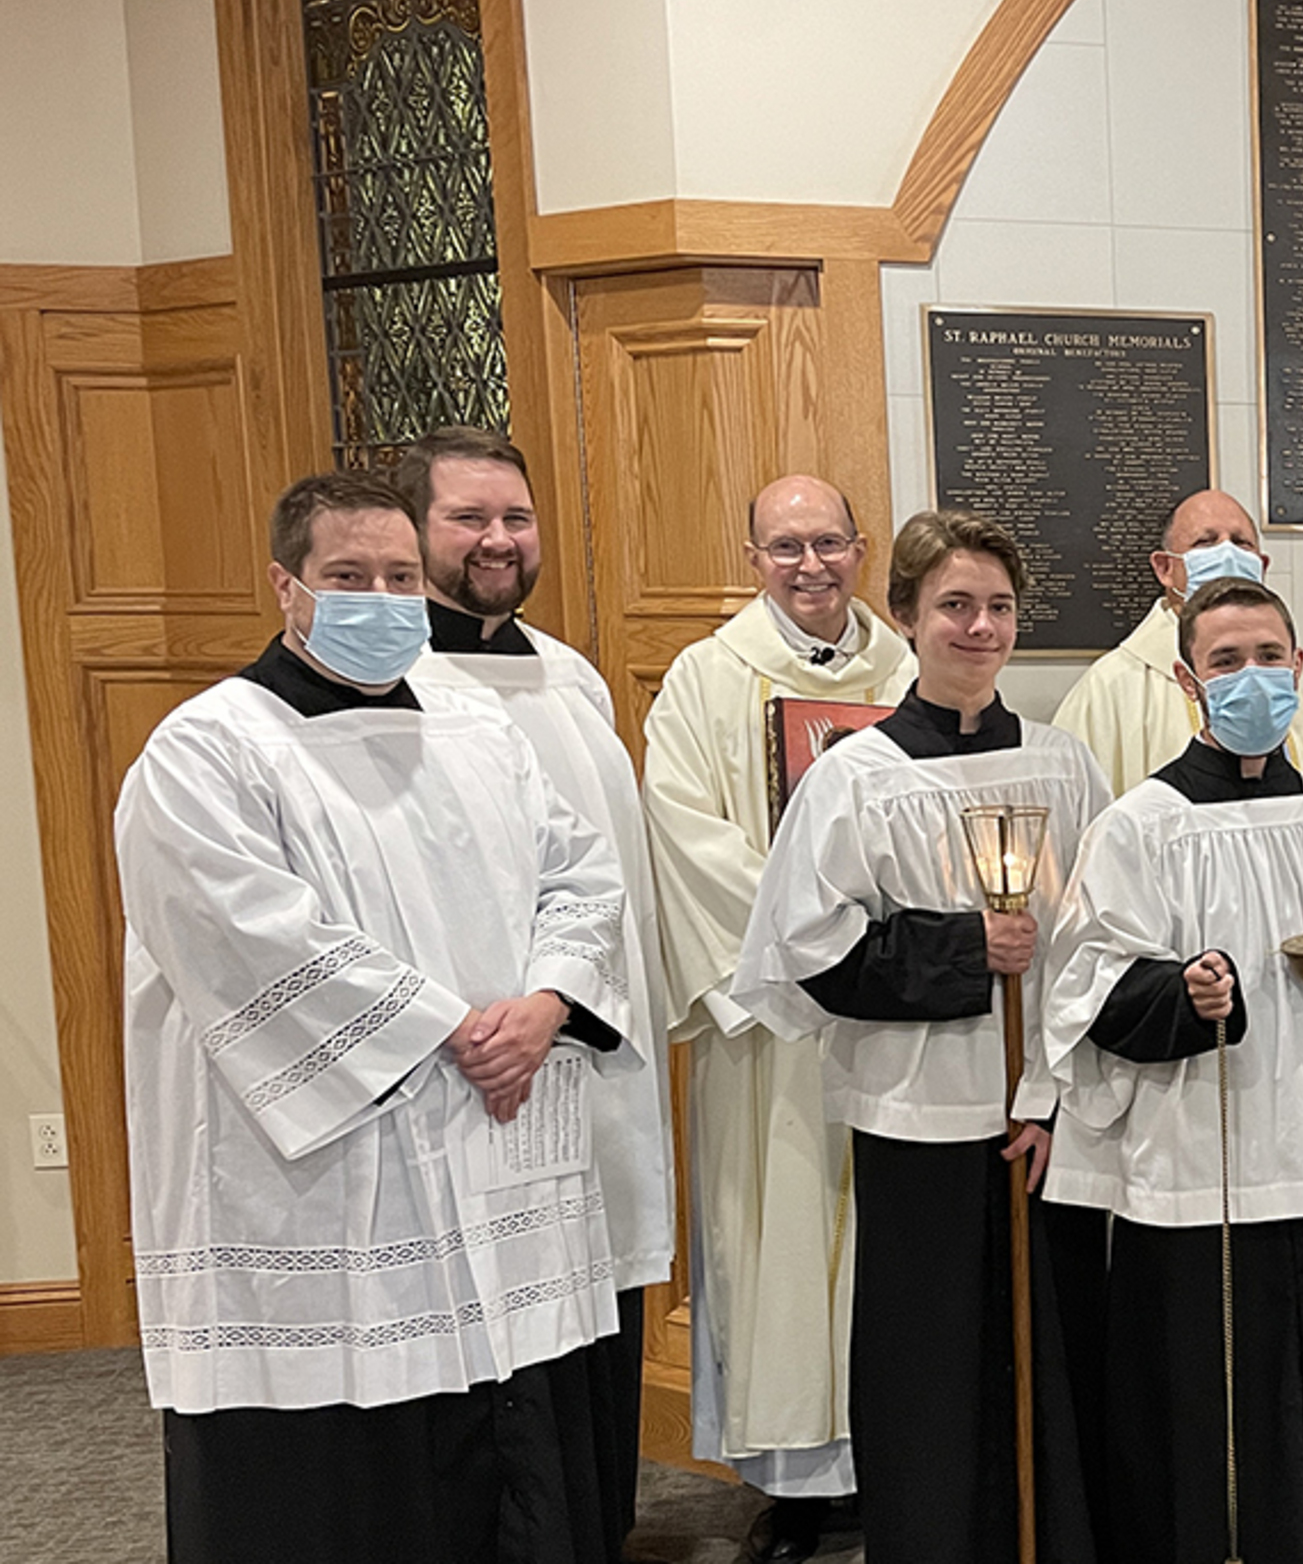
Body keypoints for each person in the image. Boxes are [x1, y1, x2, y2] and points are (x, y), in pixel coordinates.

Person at [120, 469, 633, 1563]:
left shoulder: (478, 730)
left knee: (506, 1449)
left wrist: (547, 1003)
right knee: (346, 1490)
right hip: (318, 1182)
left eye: (401, 577)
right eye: (348, 577)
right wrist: (450, 1029)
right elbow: (246, 935)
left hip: (494, 1139)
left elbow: (583, 875)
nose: (382, 599)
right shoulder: (208, 748)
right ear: (287, 586)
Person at [733, 510, 1113, 1564]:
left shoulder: (1064, 767)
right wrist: (961, 948)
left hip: (1046, 1119)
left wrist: (1056, 1093)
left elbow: (1103, 941)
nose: (979, 627)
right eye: (954, 605)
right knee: (930, 1367)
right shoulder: (857, 777)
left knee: (1053, 1359)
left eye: (998, 606)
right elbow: (808, 952)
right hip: (915, 1117)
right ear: (904, 615)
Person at [1042, 576, 1303, 1563]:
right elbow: (1081, 986)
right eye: (1225, 661)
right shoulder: (1140, 824)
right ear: (1187, 680)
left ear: (1297, 666)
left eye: (1267, 657)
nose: (1251, 677)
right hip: (1193, 1157)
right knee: (1199, 1399)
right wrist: (1180, 993)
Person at [400, 427, 675, 1562]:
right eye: (468, 518)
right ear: (415, 530)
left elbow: (612, 871)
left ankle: (599, 1526)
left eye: (515, 517)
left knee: (598, 1311)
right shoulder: (397, 690)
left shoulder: (572, 675)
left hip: (596, 1041)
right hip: (480, 1060)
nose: (498, 539)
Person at [642, 475, 914, 1561]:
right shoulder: (707, 679)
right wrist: (811, 944)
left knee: (894, 1249)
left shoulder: (907, 670)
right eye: (786, 546)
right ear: (752, 556)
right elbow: (683, 834)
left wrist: (892, 952)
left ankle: (905, 1462)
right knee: (779, 1243)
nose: (811, 565)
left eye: (830, 543)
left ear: (860, 548)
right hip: (772, 1025)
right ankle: (801, 1488)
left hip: (895, 1012)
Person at [1052, 487, 1303, 798]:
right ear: (1165, 568)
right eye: (1206, 542)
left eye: (1241, 543)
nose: (1227, 553)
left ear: (1262, 565)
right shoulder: (1109, 688)